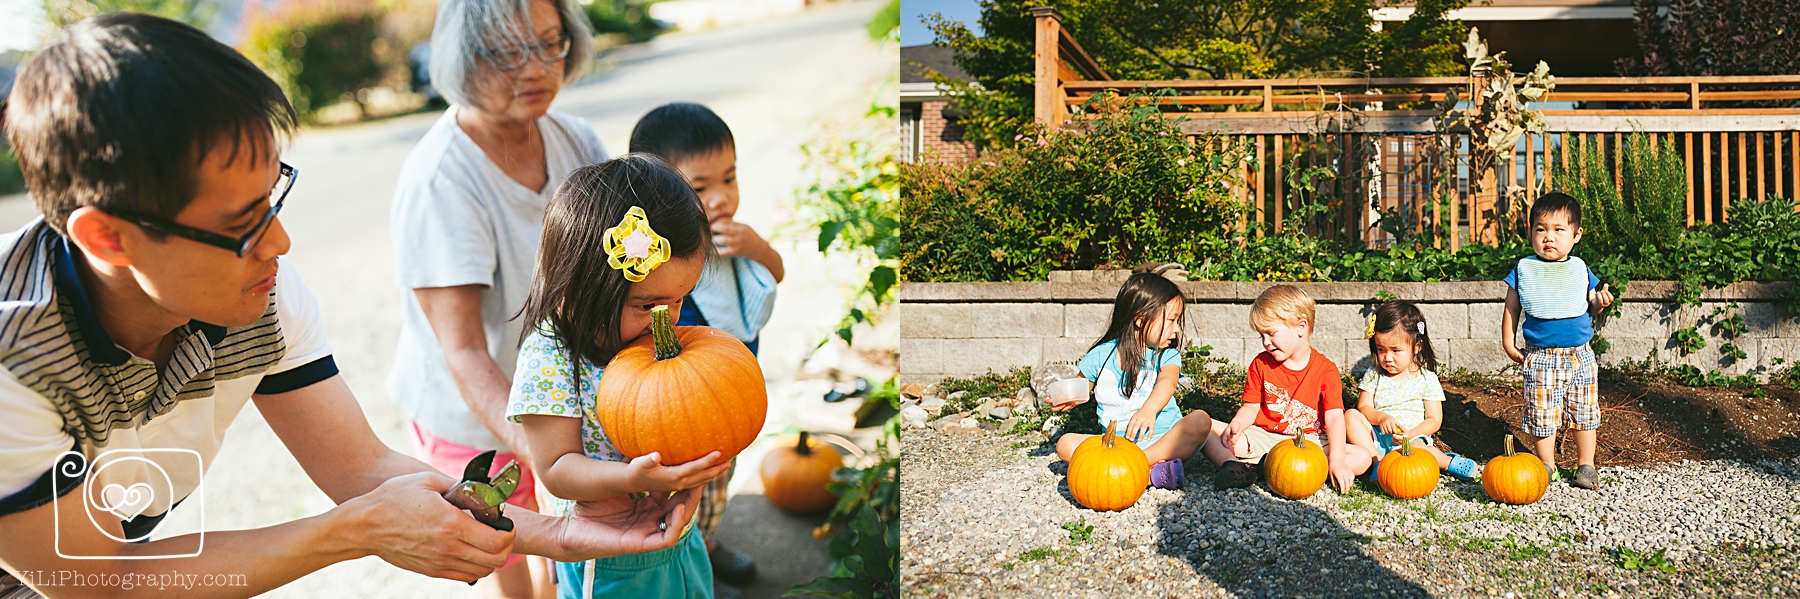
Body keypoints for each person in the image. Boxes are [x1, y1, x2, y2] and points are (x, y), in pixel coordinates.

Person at [0, 13, 693, 598]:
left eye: (275, 195)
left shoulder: (259, 293)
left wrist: (566, 533)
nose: (279, 241)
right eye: (242, 222)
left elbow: (361, 466)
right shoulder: (13, 355)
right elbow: (92, 576)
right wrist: (353, 529)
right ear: (107, 237)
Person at [387, 0, 602, 595]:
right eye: (506, 51)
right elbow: (464, 354)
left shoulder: (577, 140)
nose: (533, 68)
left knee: (565, 549)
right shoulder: (442, 180)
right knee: (506, 549)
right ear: (462, 55)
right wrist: (548, 452)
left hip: (557, 400)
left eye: (549, 42)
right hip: (475, 417)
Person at [507, 155, 732, 598]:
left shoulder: (650, 337)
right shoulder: (550, 358)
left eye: (681, 299)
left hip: (679, 540)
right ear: (580, 288)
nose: (666, 318)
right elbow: (555, 468)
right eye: (649, 305)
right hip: (609, 556)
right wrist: (634, 479)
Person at [626, 102, 780, 589]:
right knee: (686, 493)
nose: (720, 199)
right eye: (700, 188)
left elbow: (773, 275)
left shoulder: (735, 238)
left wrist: (756, 247)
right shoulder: (664, 262)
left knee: (720, 484)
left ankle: (707, 543)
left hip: (727, 398)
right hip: (675, 413)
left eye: (729, 179)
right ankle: (687, 552)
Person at [1201, 285, 1374, 493]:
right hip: (1265, 438)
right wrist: (1238, 423)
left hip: (1309, 443)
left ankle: (1266, 469)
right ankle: (1235, 466)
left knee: (1362, 458)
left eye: (1271, 333)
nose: (1266, 342)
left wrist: (1337, 461)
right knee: (1205, 427)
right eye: (1261, 336)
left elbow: (1335, 418)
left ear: (1301, 327)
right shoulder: (1260, 364)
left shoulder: (1326, 370)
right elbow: (1250, 407)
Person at [1051, 273, 1213, 490]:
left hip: (1166, 443)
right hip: (1117, 446)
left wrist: (1149, 410)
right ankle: (1149, 474)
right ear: (1140, 319)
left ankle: (1129, 470)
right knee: (1064, 444)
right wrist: (1066, 397)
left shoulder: (1167, 356)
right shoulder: (1102, 356)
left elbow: (1168, 382)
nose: (1176, 330)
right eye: (1171, 320)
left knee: (1200, 420)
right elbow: (1082, 387)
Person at [1500, 192, 1615, 490]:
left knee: (1584, 411)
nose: (1548, 237)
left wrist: (1601, 302)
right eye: (1541, 229)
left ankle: (1585, 465)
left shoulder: (1580, 268)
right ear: (1530, 233)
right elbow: (1512, 308)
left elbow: (1589, 306)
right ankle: (1546, 464)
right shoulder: (1523, 269)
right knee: (1542, 414)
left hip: (1581, 356)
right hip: (1540, 357)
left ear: (1576, 235)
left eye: (1558, 230)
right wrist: (1508, 343)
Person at [1344, 301, 1481, 481]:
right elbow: (1364, 407)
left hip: (1412, 440)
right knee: (1350, 416)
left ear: (1417, 346)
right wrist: (1381, 418)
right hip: (1376, 439)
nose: (1387, 358)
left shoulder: (1426, 379)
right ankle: (1377, 463)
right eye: (1381, 350)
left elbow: (1434, 419)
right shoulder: (1374, 374)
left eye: (1396, 350)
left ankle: (1448, 462)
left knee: (1423, 451)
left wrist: (1411, 434)